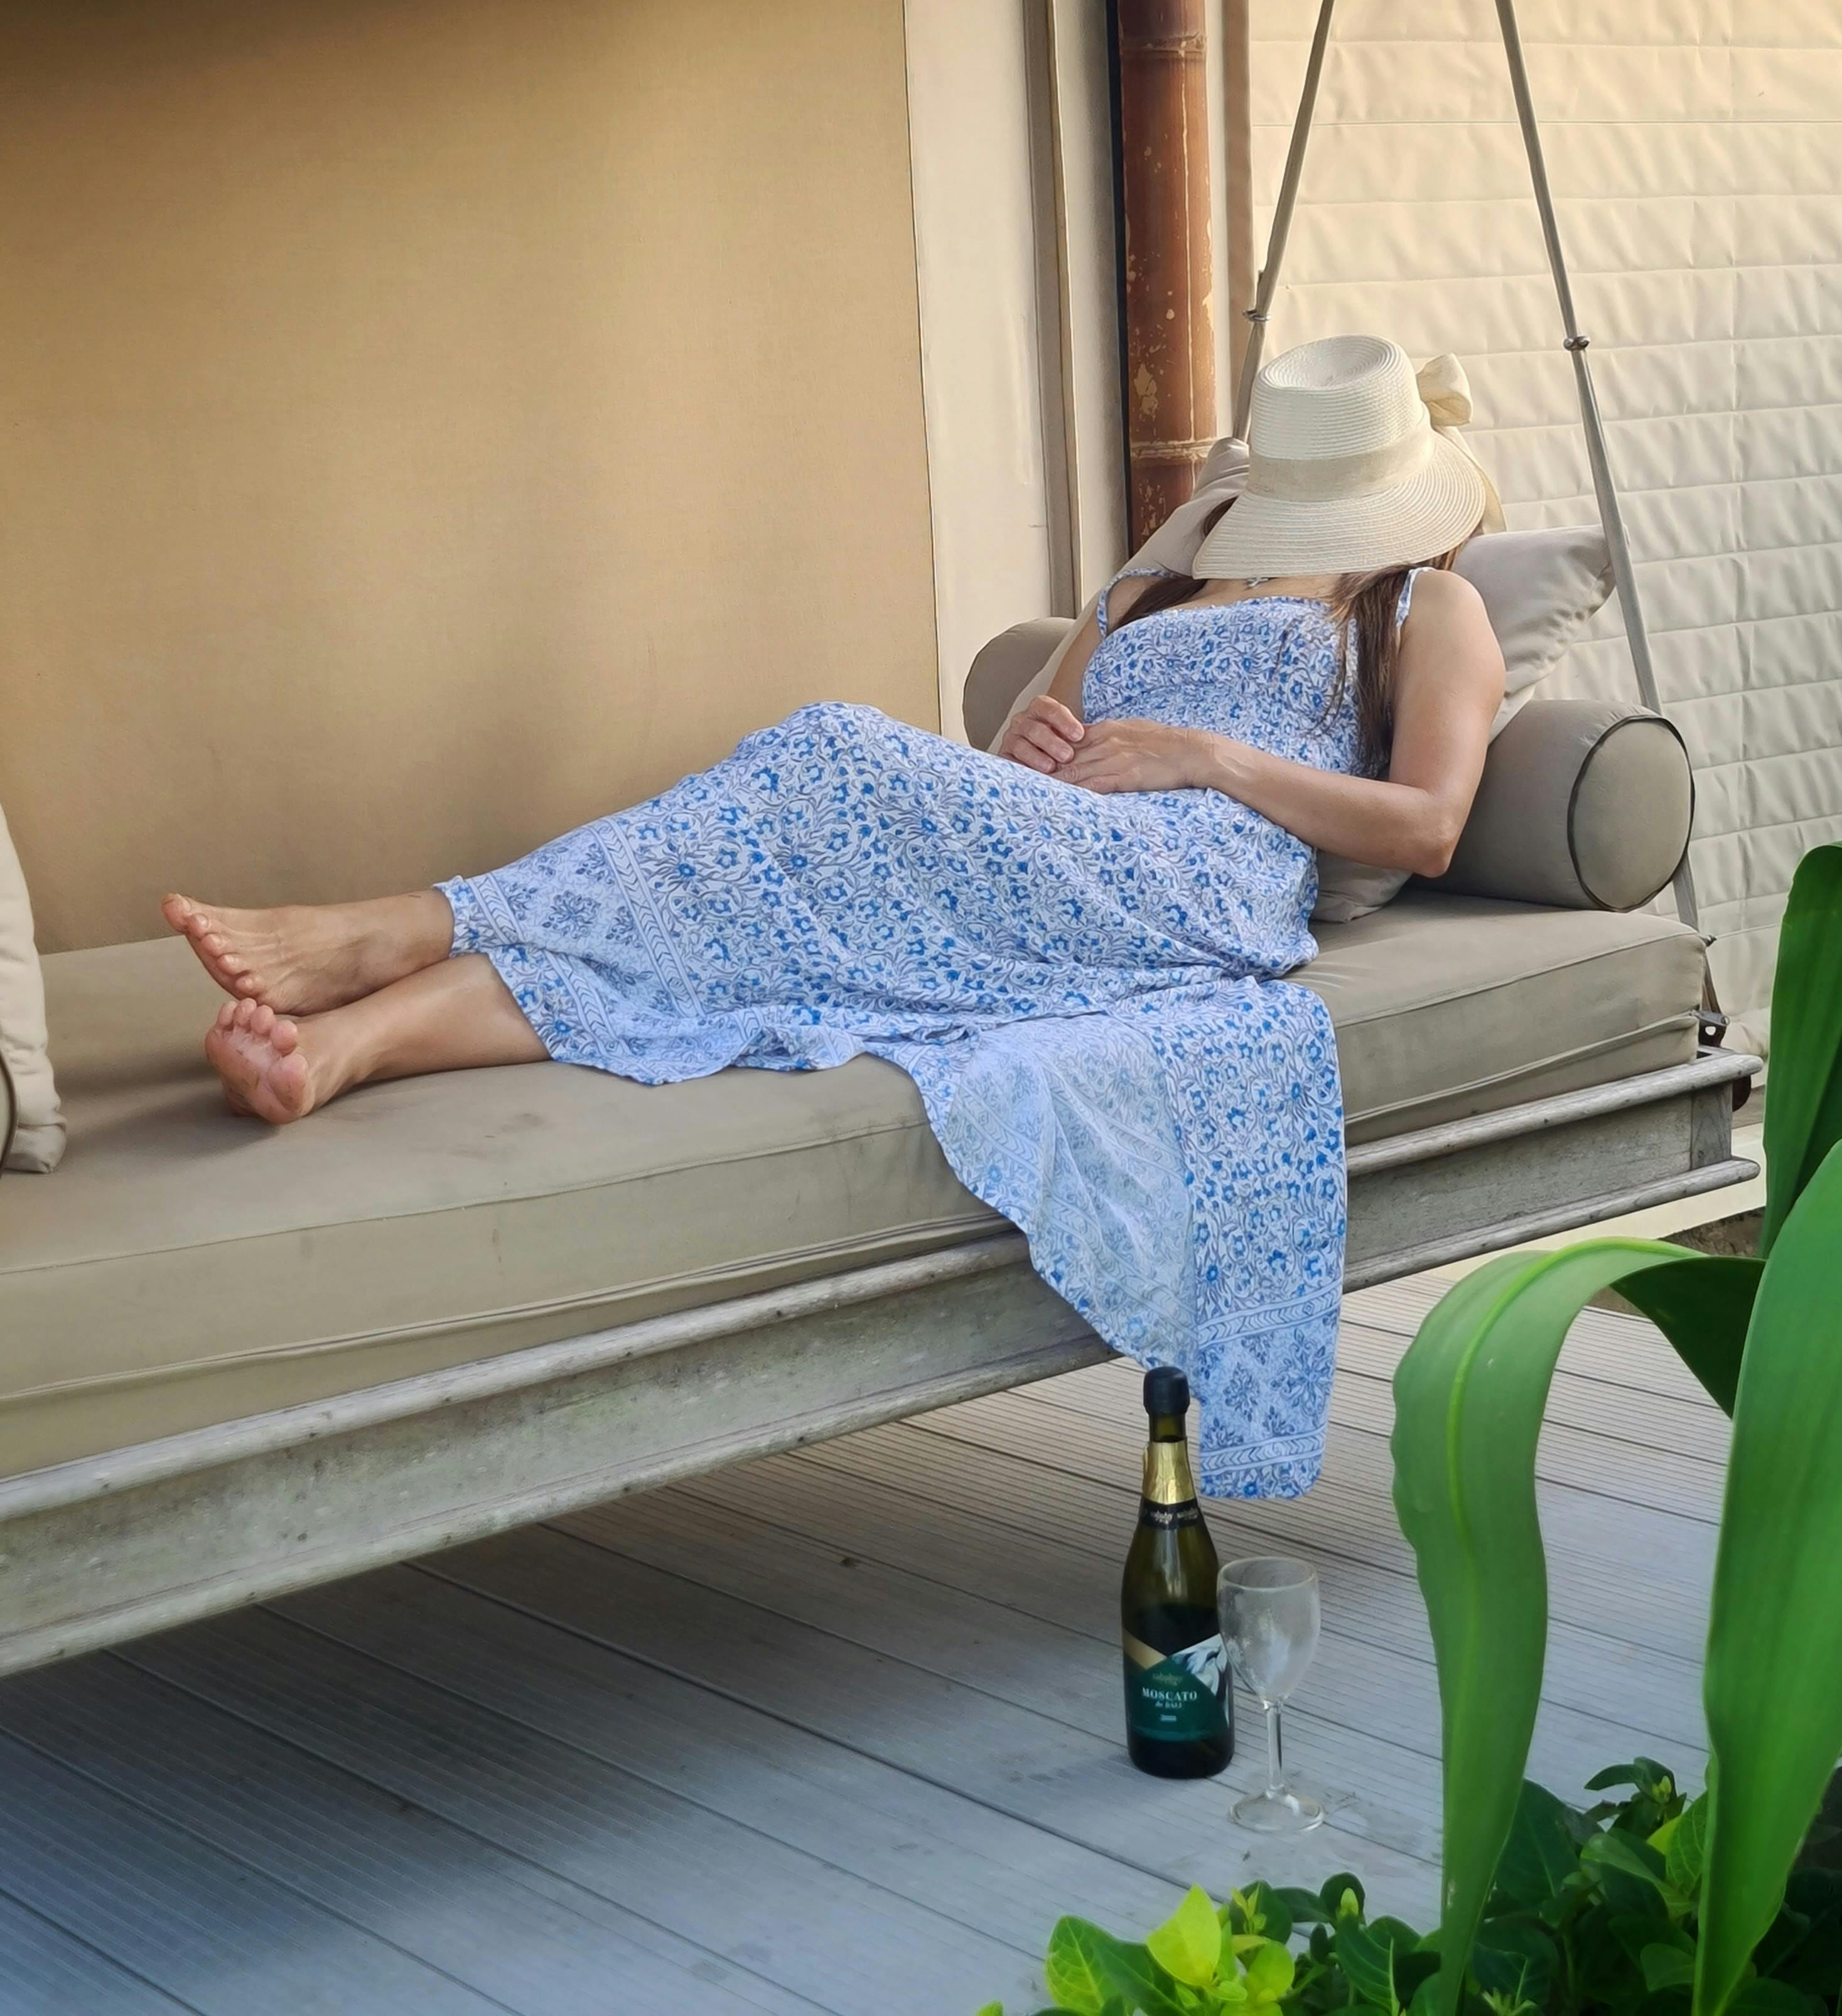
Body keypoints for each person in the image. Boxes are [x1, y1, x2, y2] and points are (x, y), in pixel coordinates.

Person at [162, 333, 1505, 1497]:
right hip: (1063, 848)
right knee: (729, 915)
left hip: (1195, 881)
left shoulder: (1423, 603)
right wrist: (1037, 737)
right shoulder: (1149, 591)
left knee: (830, 748)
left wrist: (1207, 757)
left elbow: (1429, 825)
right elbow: (1010, 745)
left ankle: (412, 924)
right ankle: (353, 1041)